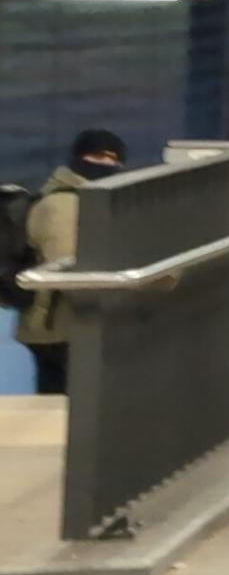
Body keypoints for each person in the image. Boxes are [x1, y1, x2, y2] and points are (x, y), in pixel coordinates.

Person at [10, 130, 123, 396]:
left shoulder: (88, 199)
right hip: (59, 327)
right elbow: (67, 265)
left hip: (65, 324)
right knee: (67, 405)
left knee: (66, 402)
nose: (106, 165)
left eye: (113, 160)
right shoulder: (63, 203)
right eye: (97, 157)